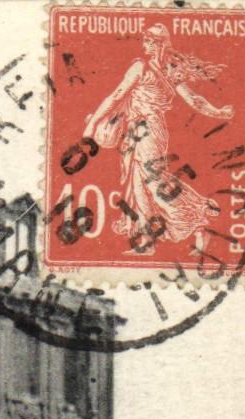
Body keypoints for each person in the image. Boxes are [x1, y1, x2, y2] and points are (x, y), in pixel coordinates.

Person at [82, 24, 235, 255]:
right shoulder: (168, 70)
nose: (146, 46)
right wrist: (218, 112)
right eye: (145, 41)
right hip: (145, 130)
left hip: (147, 131)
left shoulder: (143, 67)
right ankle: (146, 242)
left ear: (160, 44)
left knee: (153, 183)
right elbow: (195, 100)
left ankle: (196, 220)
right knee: (141, 184)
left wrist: (93, 124)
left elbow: (117, 96)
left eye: (150, 42)